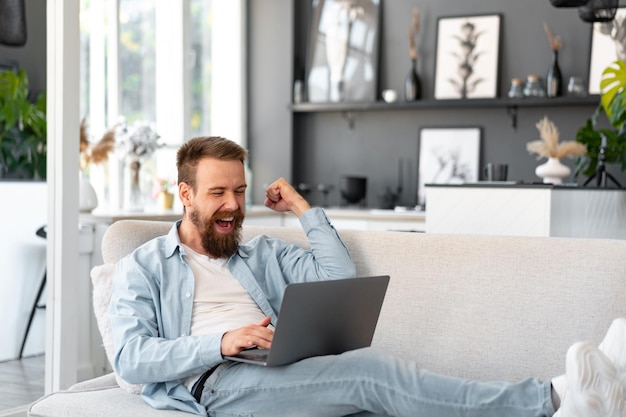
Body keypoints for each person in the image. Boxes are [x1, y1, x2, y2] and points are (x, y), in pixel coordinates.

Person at [109, 136, 626, 417]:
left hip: (272, 364)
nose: (232, 205)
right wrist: (221, 343)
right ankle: (554, 399)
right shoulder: (146, 266)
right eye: (218, 192)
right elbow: (130, 359)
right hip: (215, 382)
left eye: (239, 191)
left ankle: (599, 385)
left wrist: (302, 208)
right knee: (372, 372)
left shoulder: (260, 251)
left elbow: (338, 276)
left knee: (381, 386)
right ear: (185, 194)